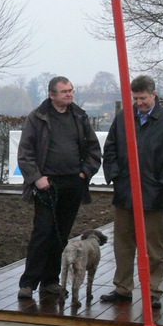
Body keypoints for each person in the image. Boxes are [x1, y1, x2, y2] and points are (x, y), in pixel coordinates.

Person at [99, 75, 163, 308]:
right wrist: (117, 177)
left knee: (154, 246)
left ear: (153, 95)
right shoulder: (123, 119)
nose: (139, 103)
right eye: (135, 98)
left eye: (143, 98)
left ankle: (153, 290)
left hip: (154, 194)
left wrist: (162, 182)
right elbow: (111, 149)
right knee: (123, 244)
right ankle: (123, 287)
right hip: (125, 193)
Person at [16, 76, 102, 300]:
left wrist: (84, 173)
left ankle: (50, 281)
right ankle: (28, 283)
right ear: (52, 94)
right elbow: (25, 153)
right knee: (42, 233)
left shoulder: (79, 116)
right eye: (64, 91)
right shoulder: (37, 118)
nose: (69, 94)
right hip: (47, 186)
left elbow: (94, 150)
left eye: (71, 90)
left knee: (60, 235)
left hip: (73, 184)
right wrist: (36, 178)